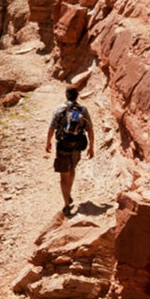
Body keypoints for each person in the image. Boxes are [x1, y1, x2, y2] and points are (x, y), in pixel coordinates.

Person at [45, 86, 94, 215]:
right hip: (77, 146)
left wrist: (48, 142)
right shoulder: (83, 110)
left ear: (66, 95)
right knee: (72, 169)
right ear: (77, 96)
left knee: (63, 175)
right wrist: (91, 147)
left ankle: (67, 205)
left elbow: (51, 127)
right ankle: (69, 193)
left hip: (63, 146)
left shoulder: (60, 109)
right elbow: (90, 129)